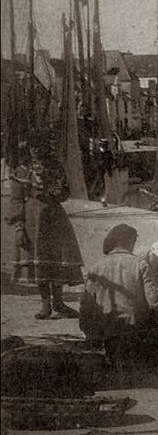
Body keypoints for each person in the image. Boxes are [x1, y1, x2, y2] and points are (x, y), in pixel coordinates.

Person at [5, 129, 84, 319]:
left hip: (55, 216)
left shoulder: (55, 167)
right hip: (34, 219)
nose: (36, 151)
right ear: (29, 148)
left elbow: (65, 193)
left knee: (57, 256)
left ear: (46, 148)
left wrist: (52, 186)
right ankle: (45, 304)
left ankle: (58, 302)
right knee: (38, 257)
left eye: (40, 147)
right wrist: (19, 227)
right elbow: (16, 199)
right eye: (33, 147)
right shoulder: (22, 169)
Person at [79, 224, 158, 367]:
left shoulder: (96, 266)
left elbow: (87, 304)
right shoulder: (141, 265)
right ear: (128, 242)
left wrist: (89, 332)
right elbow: (154, 301)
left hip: (106, 328)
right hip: (135, 328)